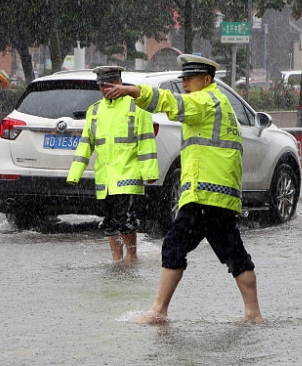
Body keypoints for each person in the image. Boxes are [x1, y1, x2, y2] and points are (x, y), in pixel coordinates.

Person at [101, 55, 263, 323]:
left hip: (204, 195)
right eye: (183, 79)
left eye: (189, 78)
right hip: (216, 196)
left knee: (174, 246)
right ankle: (253, 315)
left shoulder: (207, 100)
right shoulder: (217, 103)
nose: (185, 83)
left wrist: (134, 91)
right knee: (235, 255)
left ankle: (158, 310)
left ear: (207, 80)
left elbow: (172, 104)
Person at [66, 65, 158, 263]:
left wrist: (150, 172)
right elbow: (85, 144)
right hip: (105, 177)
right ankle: (117, 260)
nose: (106, 90)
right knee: (108, 222)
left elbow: (146, 141)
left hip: (128, 174)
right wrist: (75, 173)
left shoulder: (136, 107)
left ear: (119, 82)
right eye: (102, 86)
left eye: (109, 85)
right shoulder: (95, 111)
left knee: (125, 219)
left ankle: (132, 257)